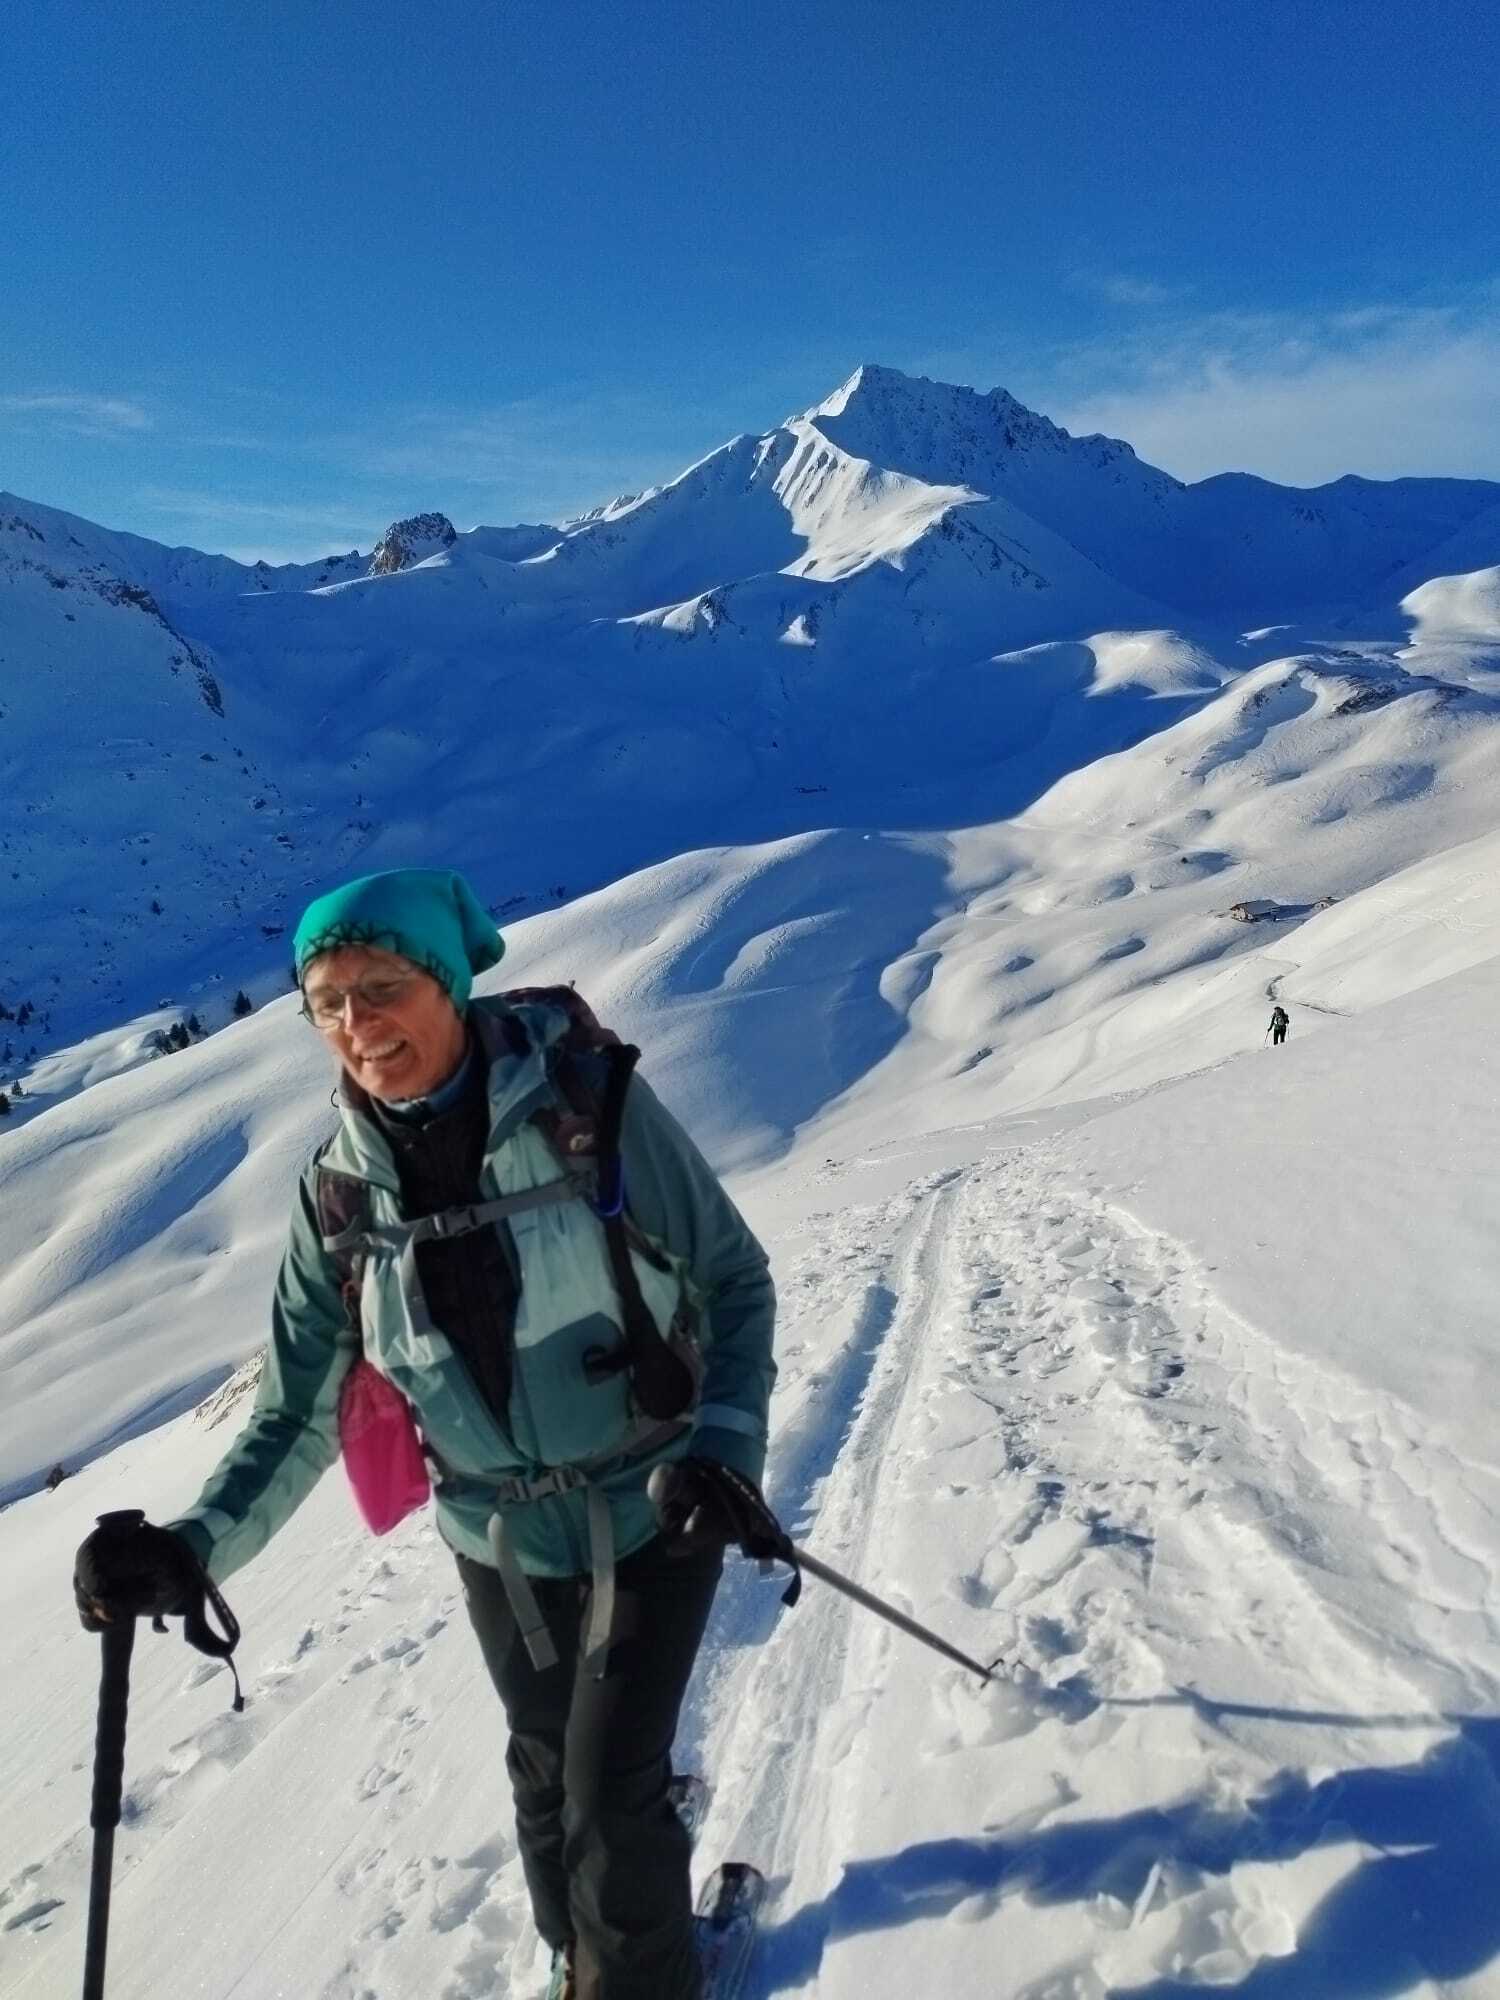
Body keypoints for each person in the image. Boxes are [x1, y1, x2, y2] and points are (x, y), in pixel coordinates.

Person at [73, 868, 777, 2000]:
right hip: (497, 1535)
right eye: (328, 1002)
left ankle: (644, 1978)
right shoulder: (338, 1197)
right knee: (546, 1773)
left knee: (607, 1785)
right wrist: (192, 1546)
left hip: (654, 1501)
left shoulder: (589, 1111)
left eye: (383, 987)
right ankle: (585, 1958)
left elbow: (733, 1280)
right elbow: (296, 1408)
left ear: (447, 983)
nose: (358, 1023)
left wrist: (724, 1448)